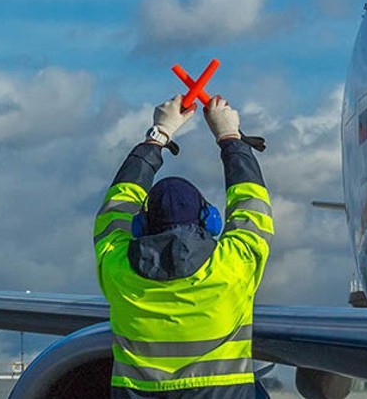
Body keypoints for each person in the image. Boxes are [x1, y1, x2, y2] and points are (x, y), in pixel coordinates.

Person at [93, 94, 273, 399]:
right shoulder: (232, 266)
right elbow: (251, 202)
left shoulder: (118, 268)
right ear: (209, 221)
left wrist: (158, 134)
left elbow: (116, 208)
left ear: (141, 226)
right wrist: (230, 136)